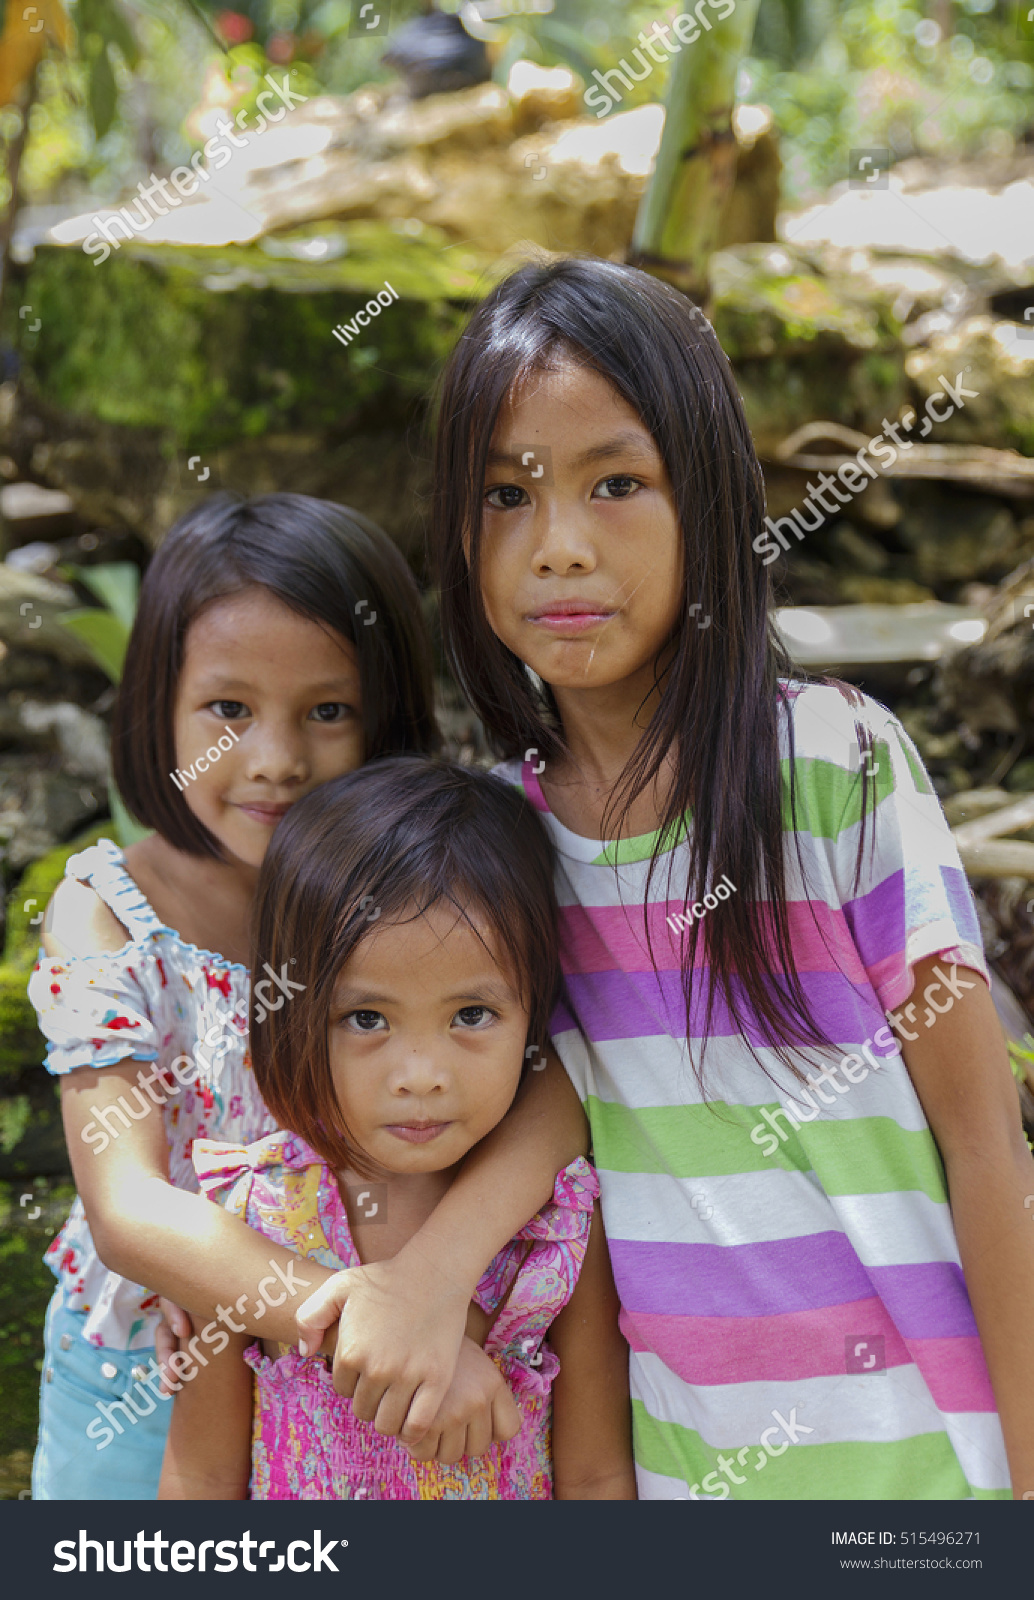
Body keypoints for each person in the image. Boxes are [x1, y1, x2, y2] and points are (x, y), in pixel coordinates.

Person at [302, 257, 1034, 1500]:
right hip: (693, 1483)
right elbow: (564, 1101)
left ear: (708, 499)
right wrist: (418, 1279)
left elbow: (982, 1141)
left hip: (928, 1473)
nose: (561, 547)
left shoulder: (833, 767)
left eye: (617, 484)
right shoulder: (502, 842)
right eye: (504, 495)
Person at [29, 492, 585, 1499]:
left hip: (405, 1354)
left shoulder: (426, 887)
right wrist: (359, 1319)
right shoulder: (107, 914)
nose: (275, 760)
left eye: (327, 711)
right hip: (154, 1369)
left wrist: (429, 1285)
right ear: (160, 702)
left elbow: (554, 1088)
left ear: (390, 713)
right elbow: (128, 1206)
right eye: (227, 710)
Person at [158, 759, 634, 1500]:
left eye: (471, 1016)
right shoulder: (247, 1218)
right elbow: (202, 1474)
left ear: (535, 1013)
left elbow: (598, 1473)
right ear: (293, 1013)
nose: (421, 1074)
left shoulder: (562, 1228)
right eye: (367, 1019)